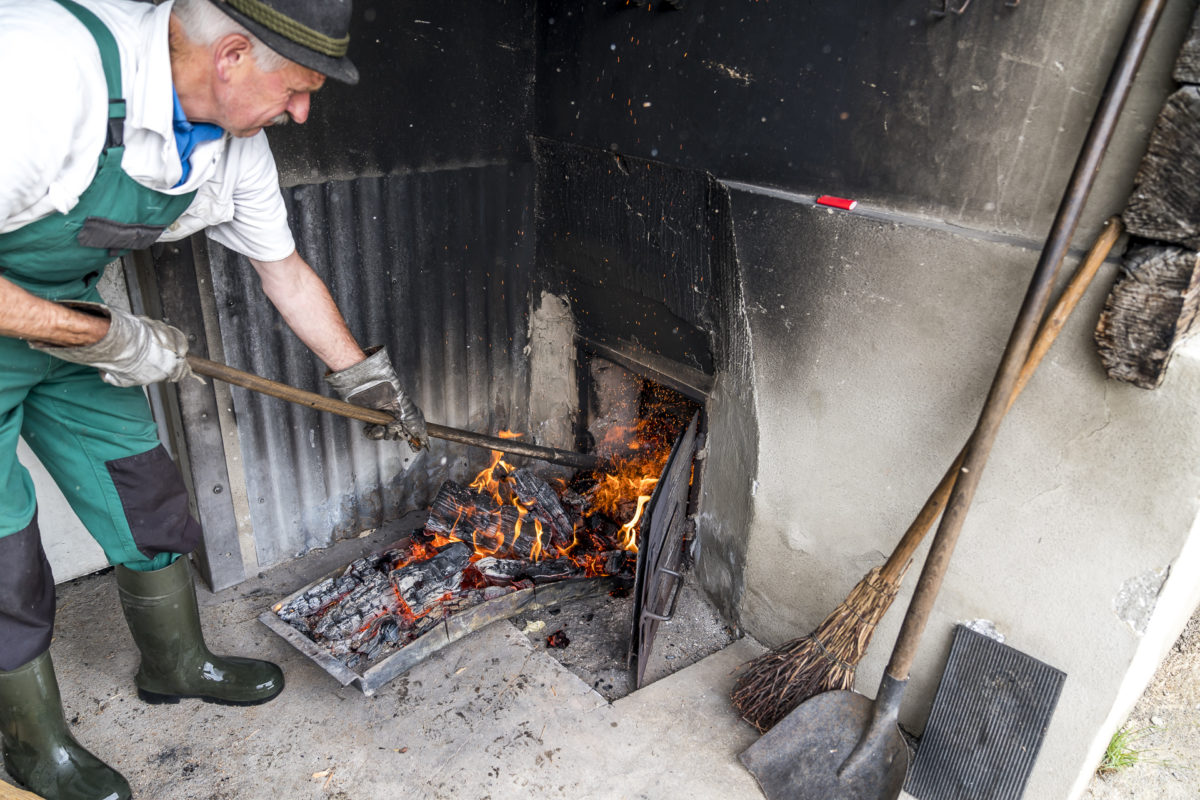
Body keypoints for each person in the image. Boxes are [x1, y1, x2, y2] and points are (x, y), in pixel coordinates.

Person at [0, 1, 425, 798]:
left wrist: (362, 377)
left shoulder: (234, 145)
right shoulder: (39, 74)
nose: (300, 114)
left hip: (71, 321)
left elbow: (285, 273)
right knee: (3, 556)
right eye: (296, 89)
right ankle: (34, 748)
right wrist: (106, 338)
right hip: (43, 322)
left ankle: (175, 664)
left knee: (145, 495)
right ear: (231, 56)